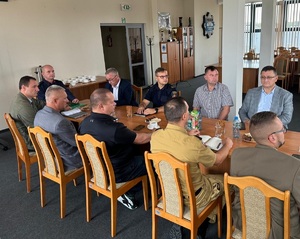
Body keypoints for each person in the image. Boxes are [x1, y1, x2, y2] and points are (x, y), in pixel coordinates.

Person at [150, 97, 233, 238]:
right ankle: (199, 225)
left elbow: (175, 144)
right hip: (195, 196)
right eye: (188, 111)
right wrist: (228, 145)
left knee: (204, 177)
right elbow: (218, 160)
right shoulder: (192, 144)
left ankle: (191, 223)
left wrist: (186, 134)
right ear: (184, 116)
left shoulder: (156, 137)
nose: (189, 113)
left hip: (170, 193)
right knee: (227, 183)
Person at [79, 88, 152, 210]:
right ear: (101, 106)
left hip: (99, 170)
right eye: (112, 102)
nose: (115, 104)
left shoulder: (84, 123)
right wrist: (157, 133)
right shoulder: (113, 129)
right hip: (120, 171)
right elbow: (141, 139)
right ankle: (130, 191)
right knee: (152, 161)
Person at [231, 111, 300, 238]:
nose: (284, 132)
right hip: (279, 233)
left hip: (243, 222)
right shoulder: (295, 166)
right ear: (272, 137)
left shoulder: (236, 155)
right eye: (282, 129)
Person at [34, 85, 82, 172]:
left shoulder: (38, 115)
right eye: (65, 98)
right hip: (69, 161)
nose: (67, 101)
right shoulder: (61, 122)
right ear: (55, 101)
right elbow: (78, 143)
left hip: (52, 159)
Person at [10, 76, 45, 151]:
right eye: (34, 87)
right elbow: (37, 128)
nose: (38, 89)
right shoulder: (23, 106)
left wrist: (53, 104)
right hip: (31, 142)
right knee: (61, 137)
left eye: (37, 86)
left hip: (29, 135)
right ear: (24, 88)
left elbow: (40, 104)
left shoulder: (24, 98)